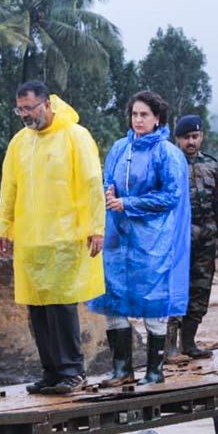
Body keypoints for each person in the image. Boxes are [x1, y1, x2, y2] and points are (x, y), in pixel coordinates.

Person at [0, 80, 104, 395]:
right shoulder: (19, 142)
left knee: (61, 307)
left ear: (47, 103)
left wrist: (96, 227)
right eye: (21, 110)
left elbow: (92, 182)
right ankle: (51, 372)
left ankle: (72, 371)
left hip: (65, 237)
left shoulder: (74, 136)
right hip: (32, 238)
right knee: (38, 307)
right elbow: (9, 186)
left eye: (30, 108)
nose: (26, 115)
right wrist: (5, 227)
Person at [89, 91, 191, 386]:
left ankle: (154, 371)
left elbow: (171, 196)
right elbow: (108, 180)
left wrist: (130, 204)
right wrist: (110, 194)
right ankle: (122, 370)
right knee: (113, 299)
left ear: (157, 118)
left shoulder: (167, 153)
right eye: (134, 114)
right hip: (119, 238)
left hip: (153, 240)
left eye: (144, 114)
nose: (138, 120)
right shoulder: (120, 148)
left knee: (153, 301)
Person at [165, 114, 218, 360]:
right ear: (177, 139)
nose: (191, 142)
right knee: (175, 291)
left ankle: (188, 343)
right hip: (178, 240)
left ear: (201, 137)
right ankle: (168, 348)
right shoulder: (169, 163)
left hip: (206, 240)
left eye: (195, 137)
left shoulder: (211, 165)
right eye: (186, 137)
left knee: (200, 292)